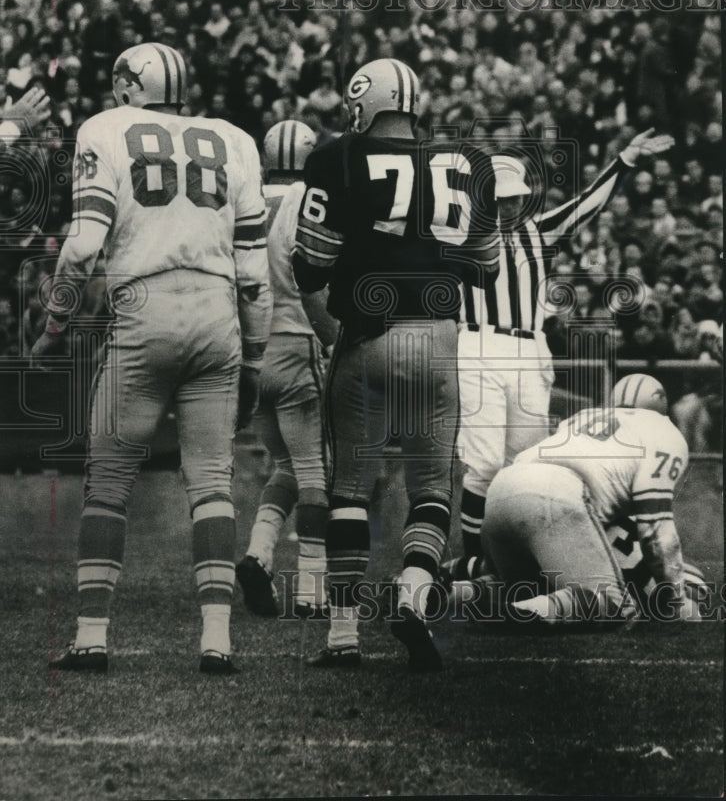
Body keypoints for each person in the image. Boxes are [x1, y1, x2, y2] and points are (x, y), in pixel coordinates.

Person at [31, 42, 271, 675]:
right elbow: (254, 270)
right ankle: (216, 638)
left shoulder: (106, 130)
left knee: (108, 482)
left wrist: (56, 321)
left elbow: (82, 247)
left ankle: (91, 636)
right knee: (212, 483)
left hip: (144, 309)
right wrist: (253, 355)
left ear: (126, 86)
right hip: (219, 313)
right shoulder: (233, 139)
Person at [292, 58, 499, 671]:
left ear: (364, 101)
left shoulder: (337, 158)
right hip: (437, 337)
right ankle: (412, 594)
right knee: (432, 489)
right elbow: (485, 266)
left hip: (367, 338)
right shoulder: (469, 162)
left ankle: (343, 636)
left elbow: (310, 266)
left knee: (350, 491)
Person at [451, 127, 675, 583]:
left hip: (531, 350)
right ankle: (476, 562)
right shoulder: (458, 237)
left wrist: (625, 160)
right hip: (477, 343)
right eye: (499, 198)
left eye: (514, 198)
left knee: (526, 465)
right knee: (485, 465)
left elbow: (588, 203)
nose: (508, 206)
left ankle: (515, 559)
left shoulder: (538, 232)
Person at [480, 373, 697, 625]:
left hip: (501, 489)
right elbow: (655, 527)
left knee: (528, 586)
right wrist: (677, 601)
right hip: (557, 494)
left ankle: (454, 594)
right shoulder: (664, 432)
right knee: (616, 607)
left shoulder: (582, 417)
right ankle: (521, 611)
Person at [236, 119, 336, 620]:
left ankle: (259, 552)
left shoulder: (250, 196)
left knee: (286, 467)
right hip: (298, 340)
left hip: (252, 352)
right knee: (317, 471)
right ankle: (313, 588)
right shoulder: (308, 198)